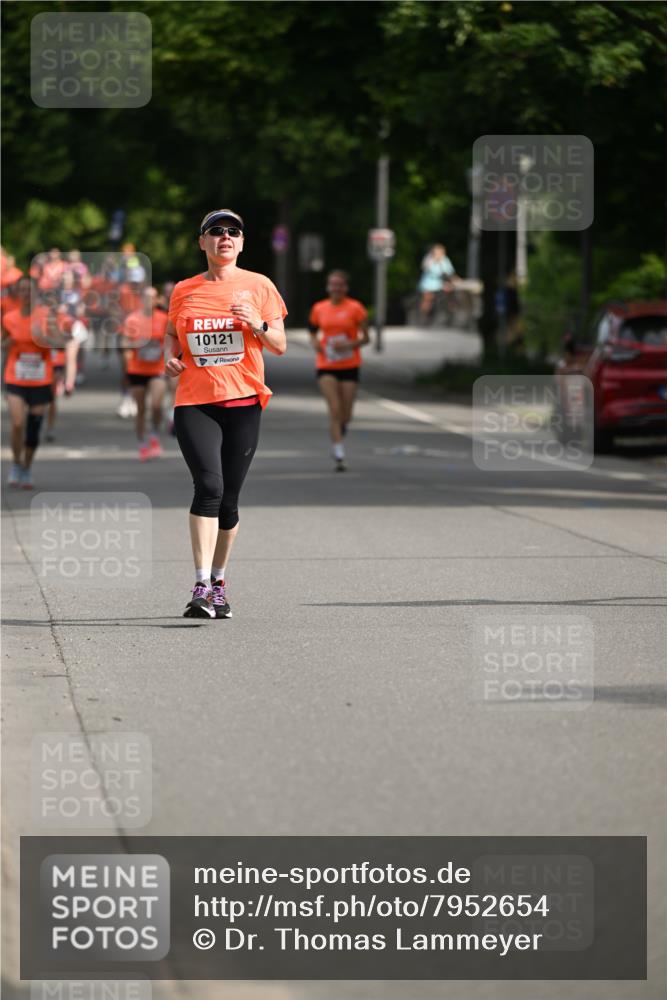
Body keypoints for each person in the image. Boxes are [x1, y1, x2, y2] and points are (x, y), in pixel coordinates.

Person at [165, 208, 287, 619]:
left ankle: (218, 581)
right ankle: (200, 584)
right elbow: (172, 334)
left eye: (233, 231)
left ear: (241, 242)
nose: (225, 237)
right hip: (195, 402)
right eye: (215, 231)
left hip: (244, 403)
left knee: (230, 502)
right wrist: (171, 357)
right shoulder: (184, 289)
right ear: (202, 242)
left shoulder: (260, 286)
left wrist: (257, 324)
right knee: (209, 487)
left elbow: (280, 345)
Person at [2, 277, 70, 488]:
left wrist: (45, 339)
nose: (25, 294)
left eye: (28, 290)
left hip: (41, 379)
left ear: (35, 293)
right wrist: (7, 342)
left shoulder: (46, 316)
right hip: (15, 376)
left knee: (33, 428)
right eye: (21, 291)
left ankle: (27, 468)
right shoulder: (9, 318)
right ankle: (15, 463)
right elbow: (2, 343)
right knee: (17, 422)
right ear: (17, 294)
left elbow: (61, 344)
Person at [308, 270, 369, 471]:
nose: (336, 288)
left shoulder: (355, 308)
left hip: (350, 364)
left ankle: (340, 432)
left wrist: (350, 345)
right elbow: (313, 332)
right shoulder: (319, 308)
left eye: (339, 284)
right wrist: (317, 344)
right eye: (332, 284)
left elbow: (366, 337)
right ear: (328, 287)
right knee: (334, 409)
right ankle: (338, 451)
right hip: (326, 365)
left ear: (345, 287)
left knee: (346, 414)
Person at [122, 286, 169, 460]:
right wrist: (136, 345)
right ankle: (142, 443)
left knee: (157, 405)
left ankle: (154, 435)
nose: (149, 301)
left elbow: (172, 339)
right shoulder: (133, 319)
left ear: (157, 300)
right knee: (141, 409)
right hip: (137, 369)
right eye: (146, 297)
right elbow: (125, 342)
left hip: (157, 368)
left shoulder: (164, 319)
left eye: (153, 297)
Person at [418, 243, 456, 321]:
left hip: (440, 283)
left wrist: (454, 280)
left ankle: (449, 312)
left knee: (451, 291)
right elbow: (425, 268)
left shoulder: (445, 259)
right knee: (428, 298)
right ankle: (424, 316)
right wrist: (435, 260)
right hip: (428, 283)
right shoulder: (428, 258)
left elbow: (449, 272)